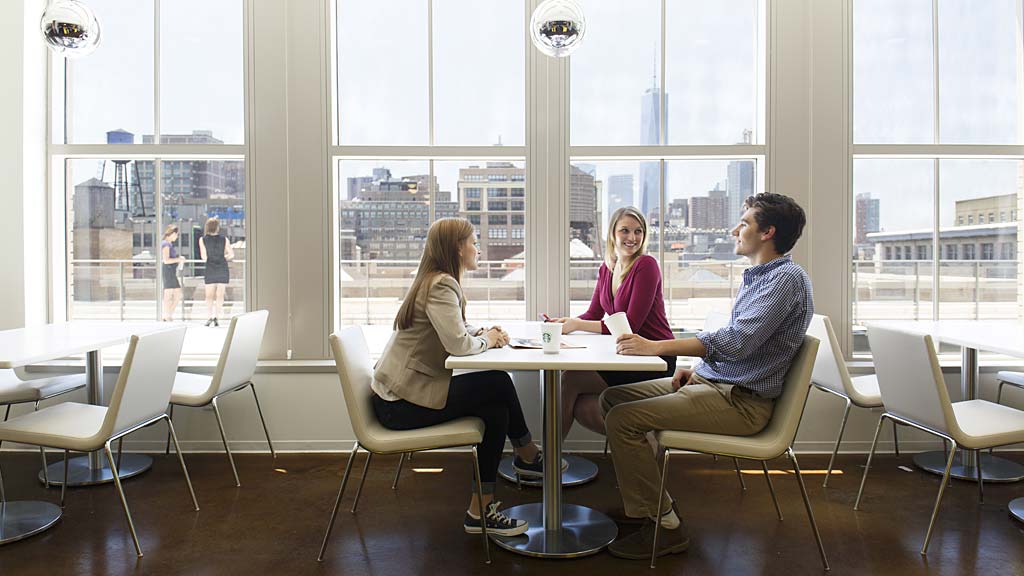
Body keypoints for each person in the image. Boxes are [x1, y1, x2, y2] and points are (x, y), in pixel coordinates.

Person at [601, 193, 814, 560]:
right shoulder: (762, 277)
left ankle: (664, 524)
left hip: (741, 403)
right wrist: (698, 370)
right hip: (716, 385)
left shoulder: (786, 279)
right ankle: (650, 502)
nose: (735, 229)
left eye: (744, 222)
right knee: (612, 399)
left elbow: (739, 341)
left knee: (623, 420)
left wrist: (658, 347)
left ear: (768, 232)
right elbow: (743, 347)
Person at [371, 217, 547, 537]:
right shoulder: (441, 284)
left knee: (496, 409)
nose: (477, 248)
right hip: (399, 405)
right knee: (497, 381)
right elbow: (457, 345)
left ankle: (481, 509)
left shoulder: (433, 280)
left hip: (397, 397)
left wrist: (483, 332)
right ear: (457, 247)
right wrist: (488, 341)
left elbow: (455, 330)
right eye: (474, 242)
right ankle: (528, 455)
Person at [549, 206, 675, 440]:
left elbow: (630, 326)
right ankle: (640, 448)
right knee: (582, 406)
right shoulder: (607, 268)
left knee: (571, 379)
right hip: (629, 354)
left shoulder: (646, 265)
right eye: (625, 230)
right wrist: (567, 322)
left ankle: (544, 461)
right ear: (612, 235)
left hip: (654, 358)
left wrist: (576, 325)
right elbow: (594, 313)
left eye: (638, 231)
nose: (632, 237)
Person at [199, 217, 234, 327]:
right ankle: (217, 317)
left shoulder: (203, 239)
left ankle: (209, 317)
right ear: (217, 227)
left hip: (210, 267)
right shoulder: (224, 239)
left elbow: (204, 257)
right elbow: (231, 254)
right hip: (222, 267)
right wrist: (223, 257)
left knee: (209, 295)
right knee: (220, 295)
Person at [160, 225, 184, 321]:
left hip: (171, 271)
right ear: (173, 233)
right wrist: (178, 259)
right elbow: (166, 260)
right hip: (168, 270)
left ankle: (168, 314)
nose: (177, 237)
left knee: (175, 293)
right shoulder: (166, 244)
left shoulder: (167, 244)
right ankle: (167, 314)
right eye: (176, 235)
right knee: (169, 293)